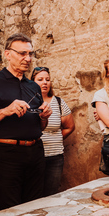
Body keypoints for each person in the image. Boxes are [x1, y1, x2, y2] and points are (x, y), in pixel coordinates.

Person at [0, 33, 52, 210]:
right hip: (7, 154)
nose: (28, 58)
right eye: (22, 53)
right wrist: (5, 111)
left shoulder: (34, 86)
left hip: (36, 151)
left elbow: (41, 126)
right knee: (10, 208)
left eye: (30, 54)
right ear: (8, 54)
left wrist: (44, 117)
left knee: (36, 205)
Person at [30, 66, 75, 196]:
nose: (45, 82)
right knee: (34, 193)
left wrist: (56, 138)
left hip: (55, 157)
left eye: (47, 79)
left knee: (51, 193)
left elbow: (70, 127)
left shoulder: (59, 102)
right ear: (32, 82)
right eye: (40, 79)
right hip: (34, 156)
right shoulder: (30, 102)